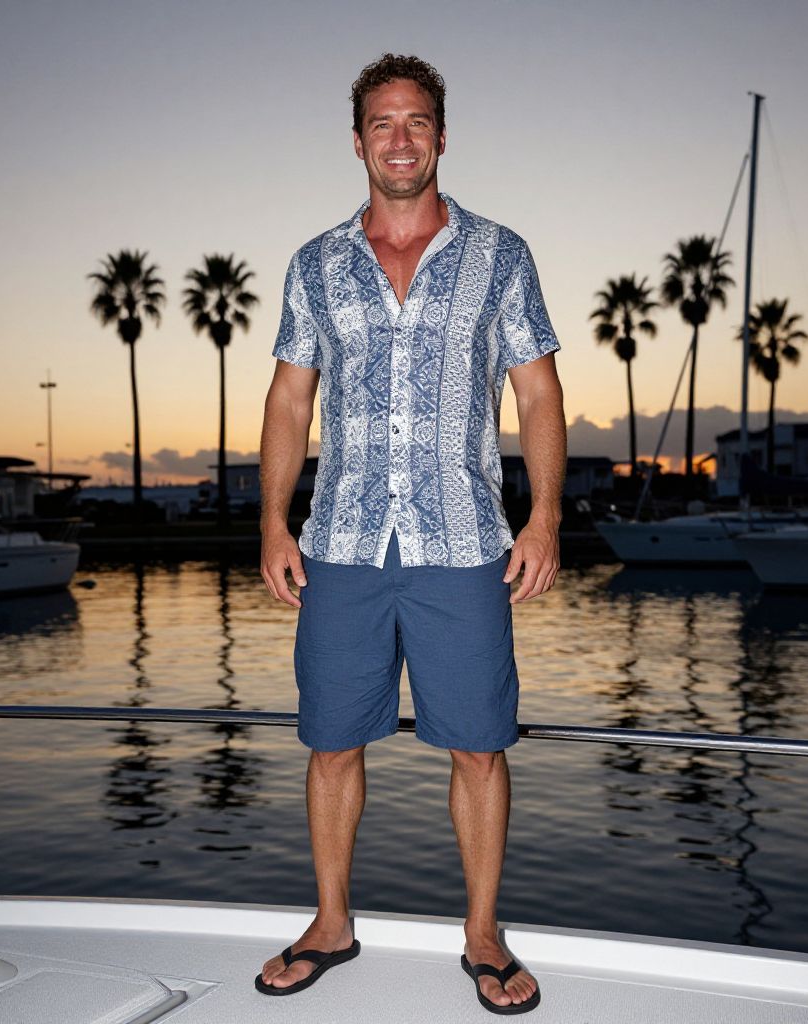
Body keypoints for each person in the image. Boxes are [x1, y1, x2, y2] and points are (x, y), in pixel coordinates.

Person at [256, 52, 566, 1014]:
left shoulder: (500, 254)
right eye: (383, 124)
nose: (400, 138)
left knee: (479, 745)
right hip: (341, 543)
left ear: (441, 134)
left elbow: (540, 393)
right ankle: (331, 922)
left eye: (417, 121)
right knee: (332, 743)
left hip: (466, 542)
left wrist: (546, 514)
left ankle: (482, 935)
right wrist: (271, 519)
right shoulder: (314, 264)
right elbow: (286, 401)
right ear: (358, 142)